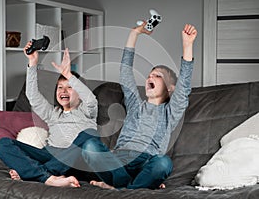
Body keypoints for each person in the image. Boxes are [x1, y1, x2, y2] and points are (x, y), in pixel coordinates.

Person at [81, 22, 197, 189]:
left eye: (157, 76)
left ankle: (119, 188)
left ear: (170, 88)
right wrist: (134, 34)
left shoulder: (170, 112)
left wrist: (187, 46)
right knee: (89, 146)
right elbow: (125, 73)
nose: (150, 77)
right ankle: (132, 188)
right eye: (149, 75)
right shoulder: (135, 105)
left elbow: (184, 86)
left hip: (146, 162)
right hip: (119, 161)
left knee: (164, 163)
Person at [0, 42, 99, 188]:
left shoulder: (87, 111)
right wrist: (32, 62)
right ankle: (49, 178)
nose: (63, 91)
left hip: (76, 161)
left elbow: (90, 99)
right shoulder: (52, 113)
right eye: (60, 87)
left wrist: (68, 74)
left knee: (89, 135)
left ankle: (32, 173)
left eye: (70, 87)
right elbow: (32, 95)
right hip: (50, 155)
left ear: (79, 93)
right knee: (3, 144)